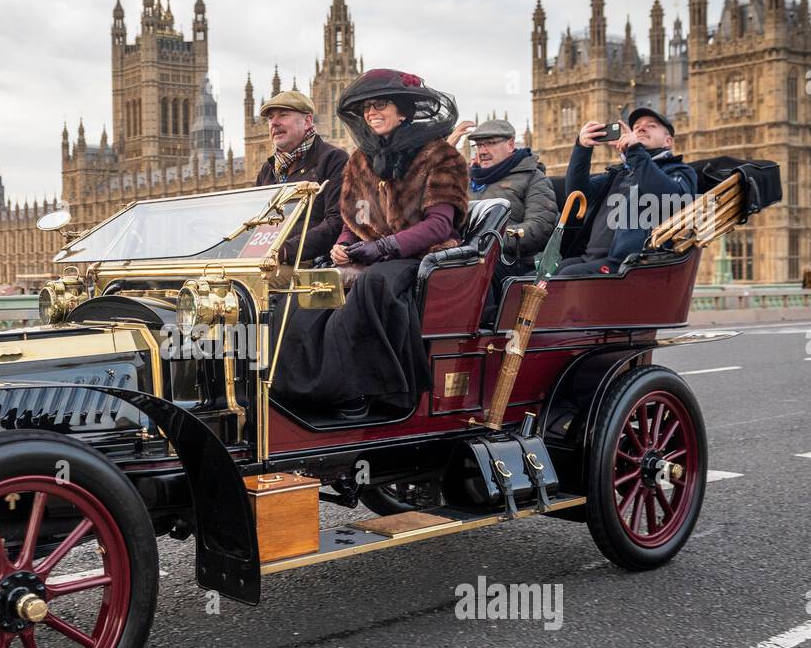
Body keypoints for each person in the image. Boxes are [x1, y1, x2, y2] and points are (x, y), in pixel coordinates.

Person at [271, 68, 468, 417]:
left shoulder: (440, 156)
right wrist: (343, 247)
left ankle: (362, 390)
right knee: (312, 289)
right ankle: (299, 387)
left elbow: (439, 226)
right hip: (372, 254)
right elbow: (353, 219)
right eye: (366, 108)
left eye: (381, 105)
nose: (372, 113)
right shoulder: (362, 159)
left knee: (374, 284)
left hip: (420, 257)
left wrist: (383, 248)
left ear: (403, 111)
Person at [556, 107, 697, 276]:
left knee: (568, 275)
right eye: (636, 126)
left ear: (668, 141)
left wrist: (635, 151)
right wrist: (582, 149)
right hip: (592, 258)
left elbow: (669, 198)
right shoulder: (618, 174)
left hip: (629, 264)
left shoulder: (679, 171)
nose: (641, 128)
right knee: (544, 273)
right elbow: (577, 195)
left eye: (651, 126)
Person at [253, 90, 349, 266]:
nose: (274, 122)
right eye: (270, 118)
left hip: (309, 262)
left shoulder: (333, 159)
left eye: (283, 115)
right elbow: (253, 223)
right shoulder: (268, 170)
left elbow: (336, 222)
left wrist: (285, 251)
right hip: (266, 260)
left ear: (307, 121)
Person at [466, 119, 557, 296]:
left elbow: (539, 227)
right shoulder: (469, 182)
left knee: (477, 265)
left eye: (490, 143)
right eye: (479, 145)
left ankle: (478, 321)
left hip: (513, 262)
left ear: (510, 144)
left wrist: (489, 240)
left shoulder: (533, 178)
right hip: (471, 254)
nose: (482, 151)